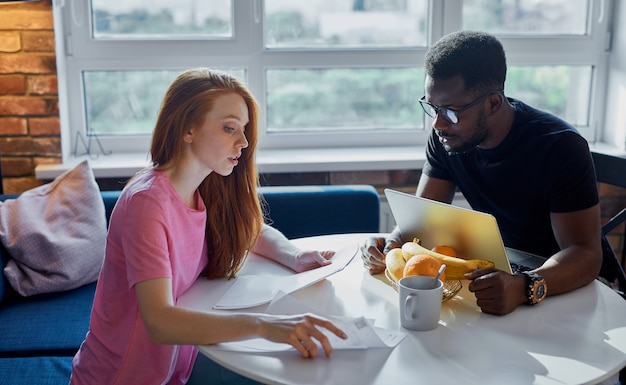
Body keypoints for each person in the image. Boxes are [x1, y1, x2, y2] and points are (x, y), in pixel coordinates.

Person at [70, 68, 347, 384]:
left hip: (177, 369)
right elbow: (159, 321)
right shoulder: (147, 203)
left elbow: (250, 230)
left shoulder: (203, 185)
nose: (243, 142)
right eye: (229, 128)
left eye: (243, 129)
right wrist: (262, 326)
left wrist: (294, 256)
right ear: (188, 129)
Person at [361, 30, 602, 316]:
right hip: (506, 274)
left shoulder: (560, 146)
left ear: (493, 103)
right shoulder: (447, 137)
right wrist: (393, 240)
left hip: (571, 289)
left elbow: (586, 255)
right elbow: (423, 220)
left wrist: (524, 286)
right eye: (432, 107)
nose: (438, 124)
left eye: (450, 111)